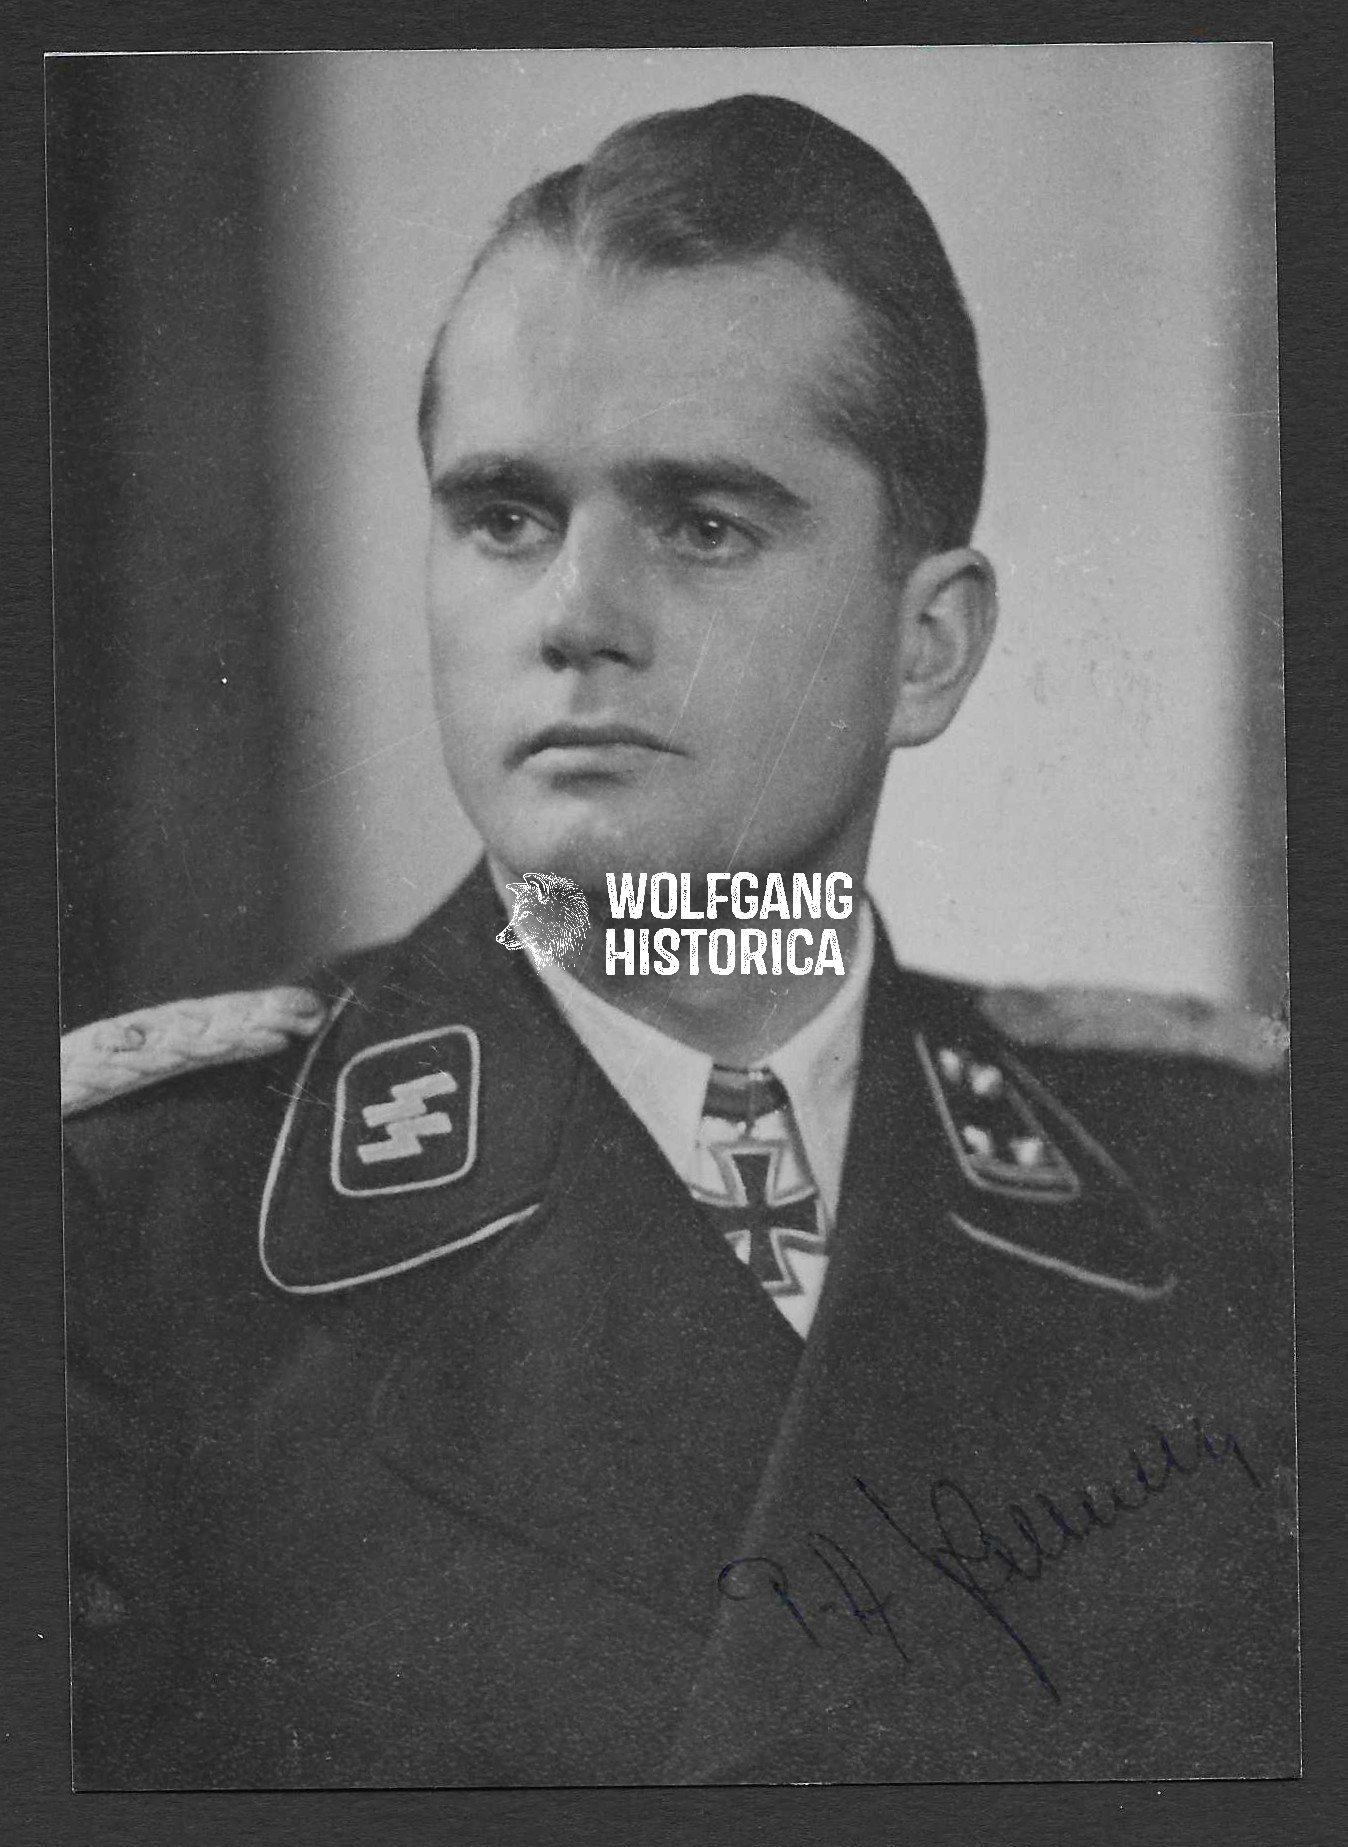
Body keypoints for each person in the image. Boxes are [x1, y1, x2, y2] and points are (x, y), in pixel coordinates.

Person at [62, 94, 1296, 1789]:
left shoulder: (1233, 1199)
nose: (575, 615)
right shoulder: (136, 1230)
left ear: (927, 648)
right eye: (506, 517)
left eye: (705, 524)